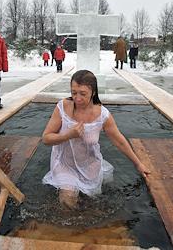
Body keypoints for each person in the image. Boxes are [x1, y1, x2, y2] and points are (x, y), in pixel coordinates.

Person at [42, 70, 150, 209]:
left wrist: (138, 164)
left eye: (83, 93)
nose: (77, 98)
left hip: (89, 164)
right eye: (74, 93)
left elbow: (119, 141)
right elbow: (46, 138)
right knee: (67, 201)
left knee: (92, 202)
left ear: (93, 92)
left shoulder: (102, 115)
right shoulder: (63, 107)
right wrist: (68, 135)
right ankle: (71, 230)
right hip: (64, 163)